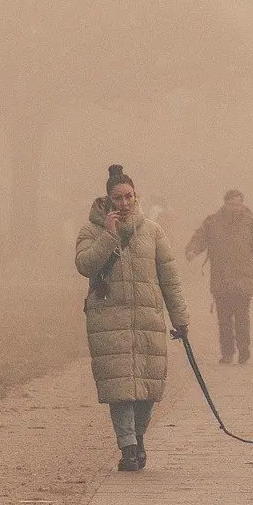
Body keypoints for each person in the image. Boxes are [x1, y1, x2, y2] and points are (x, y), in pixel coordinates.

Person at [75, 165, 190, 473]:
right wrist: (109, 236)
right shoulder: (91, 231)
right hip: (109, 320)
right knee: (121, 390)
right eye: (117, 198)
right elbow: (85, 265)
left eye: (128, 197)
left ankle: (138, 436)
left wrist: (180, 317)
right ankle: (128, 447)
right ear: (108, 200)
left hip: (146, 319)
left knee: (148, 388)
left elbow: (170, 277)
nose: (124, 204)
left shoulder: (152, 231)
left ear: (135, 196)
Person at [186, 189, 253, 364]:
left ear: (242, 204)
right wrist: (192, 250)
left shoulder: (249, 223)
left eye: (238, 204)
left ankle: (244, 348)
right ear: (224, 204)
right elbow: (200, 238)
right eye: (231, 204)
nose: (235, 208)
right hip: (221, 278)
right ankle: (227, 352)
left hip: (244, 277)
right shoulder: (212, 223)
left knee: (242, 316)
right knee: (224, 319)